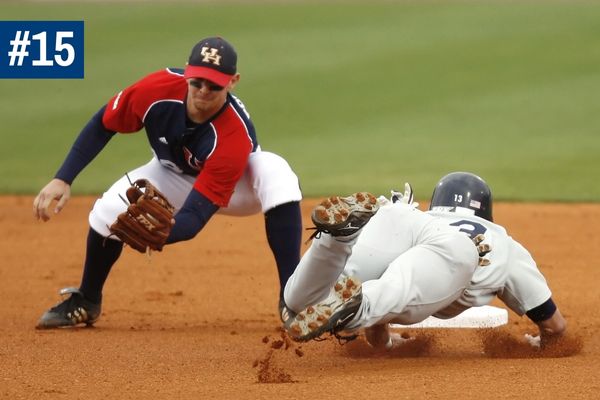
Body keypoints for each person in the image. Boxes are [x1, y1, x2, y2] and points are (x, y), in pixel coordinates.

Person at [33, 36, 303, 329]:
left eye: (214, 85)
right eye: (198, 81)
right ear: (187, 72)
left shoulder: (232, 136)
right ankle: (87, 300)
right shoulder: (155, 90)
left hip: (241, 186)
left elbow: (196, 215)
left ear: (233, 82)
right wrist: (64, 177)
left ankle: (293, 300)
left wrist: (164, 232)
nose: (204, 90)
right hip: (171, 172)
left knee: (276, 172)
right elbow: (104, 123)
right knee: (108, 210)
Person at [281, 172, 566, 349]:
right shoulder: (503, 242)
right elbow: (554, 326)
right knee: (397, 289)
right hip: (457, 251)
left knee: (300, 303)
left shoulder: (427, 216)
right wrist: (543, 344)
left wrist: (385, 343)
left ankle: (336, 241)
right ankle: (356, 308)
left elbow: (379, 329)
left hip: (400, 216)